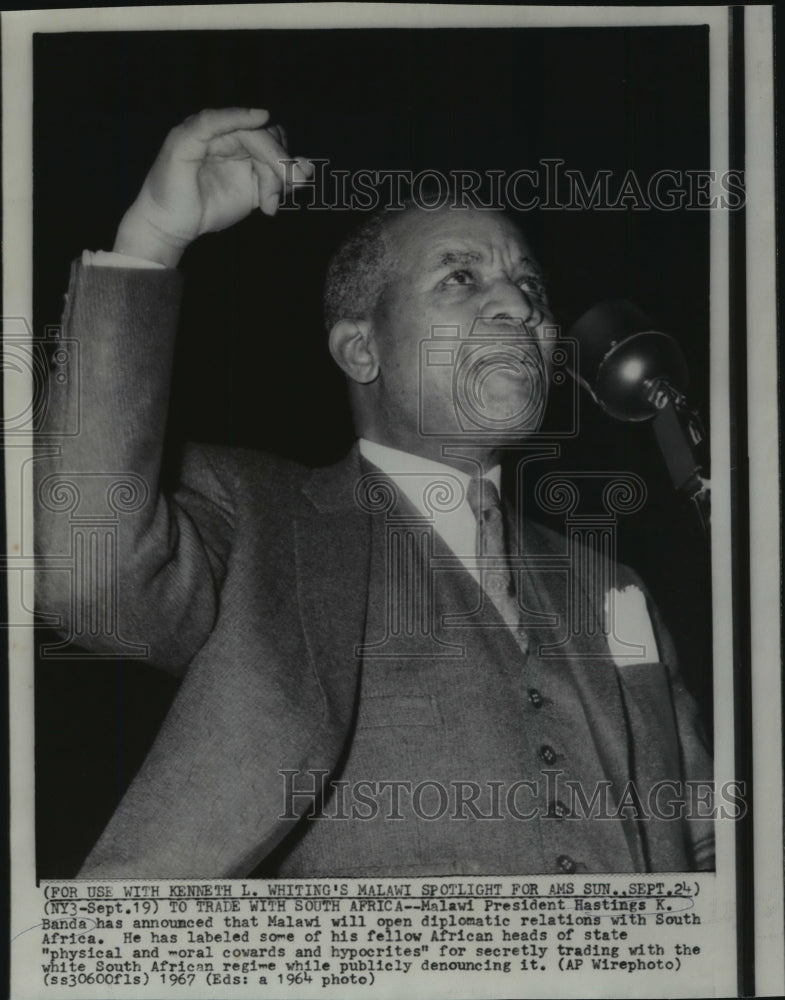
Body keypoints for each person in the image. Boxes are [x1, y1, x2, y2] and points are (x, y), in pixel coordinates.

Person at [35, 108, 714, 878]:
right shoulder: (259, 517)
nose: (519, 308)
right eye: (461, 277)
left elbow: (699, 838)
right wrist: (152, 240)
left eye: (529, 286)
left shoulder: (609, 584)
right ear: (361, 348)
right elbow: (87, 578)